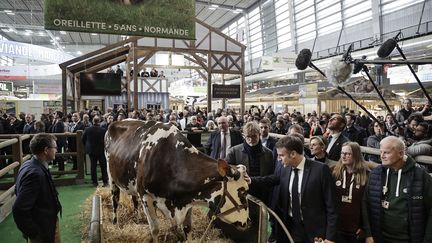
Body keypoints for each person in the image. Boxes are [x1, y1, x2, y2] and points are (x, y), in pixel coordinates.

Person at [249, 135, 338, 243]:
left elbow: (332, 206)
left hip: (315, 233)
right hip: (290, 228)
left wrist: (330, 237)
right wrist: (250, 180)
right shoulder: (285, 169)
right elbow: (271, 179)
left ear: (293, 154)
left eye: (281, 155)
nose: (278, 159)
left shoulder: (320, 170)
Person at [362, 136, 432, 243]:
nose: (382, 156)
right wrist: (368, 234)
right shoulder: (376, 174)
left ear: (400, 154)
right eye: (381, 152)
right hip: (379, 238)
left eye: (387, 152)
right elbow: (365, 204)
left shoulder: (421, 176)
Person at [13, 134, 62, 243]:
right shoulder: (35, 174)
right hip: (43, 229)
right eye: (55, 148)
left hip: (47, 222)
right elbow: (19, 209)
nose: (56, 150)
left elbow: (17, 189)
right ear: (46, 150)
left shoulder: (29, 164)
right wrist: (34, 233)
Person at [225, 121, 274, 203]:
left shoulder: (268, 153)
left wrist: (254, 180)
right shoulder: (234, 151)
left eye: (254, 136)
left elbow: (272, 177)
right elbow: (227, 172)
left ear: (259, 134)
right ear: (244, 136)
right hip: (239, 194)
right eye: (248, 137)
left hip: (262, 194)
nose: (251, 139)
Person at [333, 142, 370, 243]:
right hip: (337, 227)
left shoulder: (366, 176)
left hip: (356, 230)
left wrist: (364, 227)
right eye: (342, 153)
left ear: (356, 155)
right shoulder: (334, 173)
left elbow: (369, 204)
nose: (344, 156)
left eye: (348, 154)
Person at [82, 116, 108, 187]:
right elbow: (106, 140)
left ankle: (94, 182)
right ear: (99, 121)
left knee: (93, 166)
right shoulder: (104, 130)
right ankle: (105, 181)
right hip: (101, 150)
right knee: (103, 166)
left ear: (93, 121)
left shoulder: (87, 129)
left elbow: (83, 139)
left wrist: (86, 146)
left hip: (91, 150)